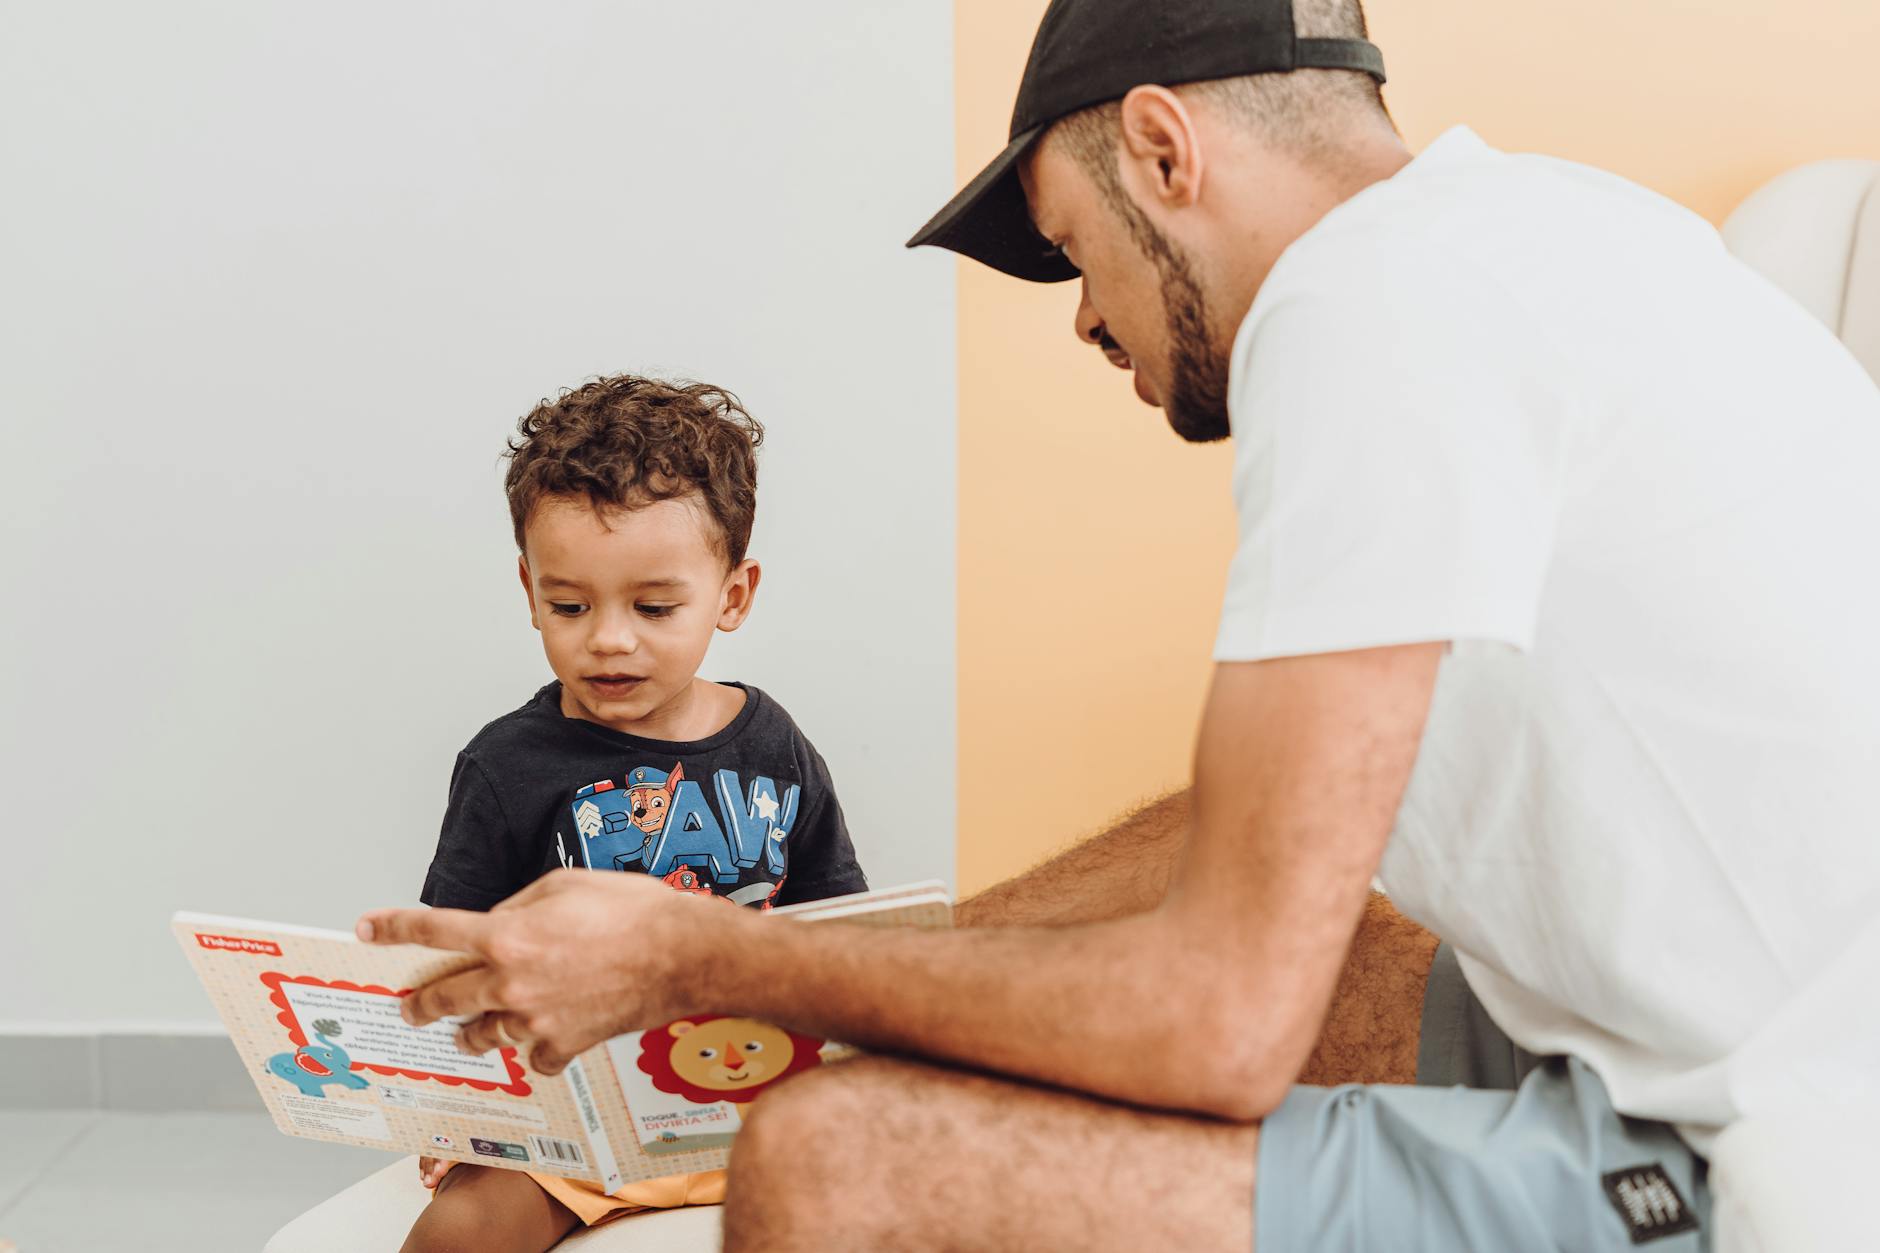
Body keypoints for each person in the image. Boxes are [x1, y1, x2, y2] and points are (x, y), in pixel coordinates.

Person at [362, 0, 1880, 1248]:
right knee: (1332, 944)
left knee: (837, 1156)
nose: (1089, 317)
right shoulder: (1549, 233)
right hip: (1721, 1030)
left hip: (1769, 1154)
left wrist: (703, 957)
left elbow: (1216, 1020)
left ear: (1164, 149)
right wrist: (907, 975)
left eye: (1077, 248)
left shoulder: (1362, 316)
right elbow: (1250, 846)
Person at [401, 374, 868, 1253]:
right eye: (569, 605)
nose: (609, 638)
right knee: (457, 1231)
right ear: (529, 590)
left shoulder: (776, 747)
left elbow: (841, 935)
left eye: (654, 607)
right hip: (574, 1125)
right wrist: (455, 1113)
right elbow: (457, 959)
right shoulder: (506, 765)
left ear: (733, 595)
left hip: (752, 1101)